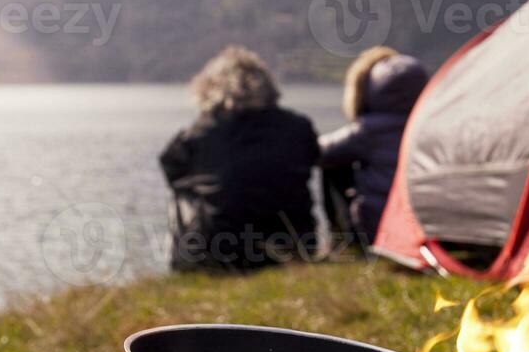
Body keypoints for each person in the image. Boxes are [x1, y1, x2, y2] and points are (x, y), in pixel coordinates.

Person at [160, 46, 318, 270]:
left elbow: (170, 169)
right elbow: (313, 158)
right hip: (294, 245)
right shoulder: (299, 126)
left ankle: (184, 264)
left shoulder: (200, 132)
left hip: (220, 252)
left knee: (184, 193)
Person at [318, 47, 429, 247]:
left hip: (377, 227)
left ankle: (341, 241)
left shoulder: (367, 131)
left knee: (334, 164)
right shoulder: (433, 124)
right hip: (429, 225)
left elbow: (318, 152)